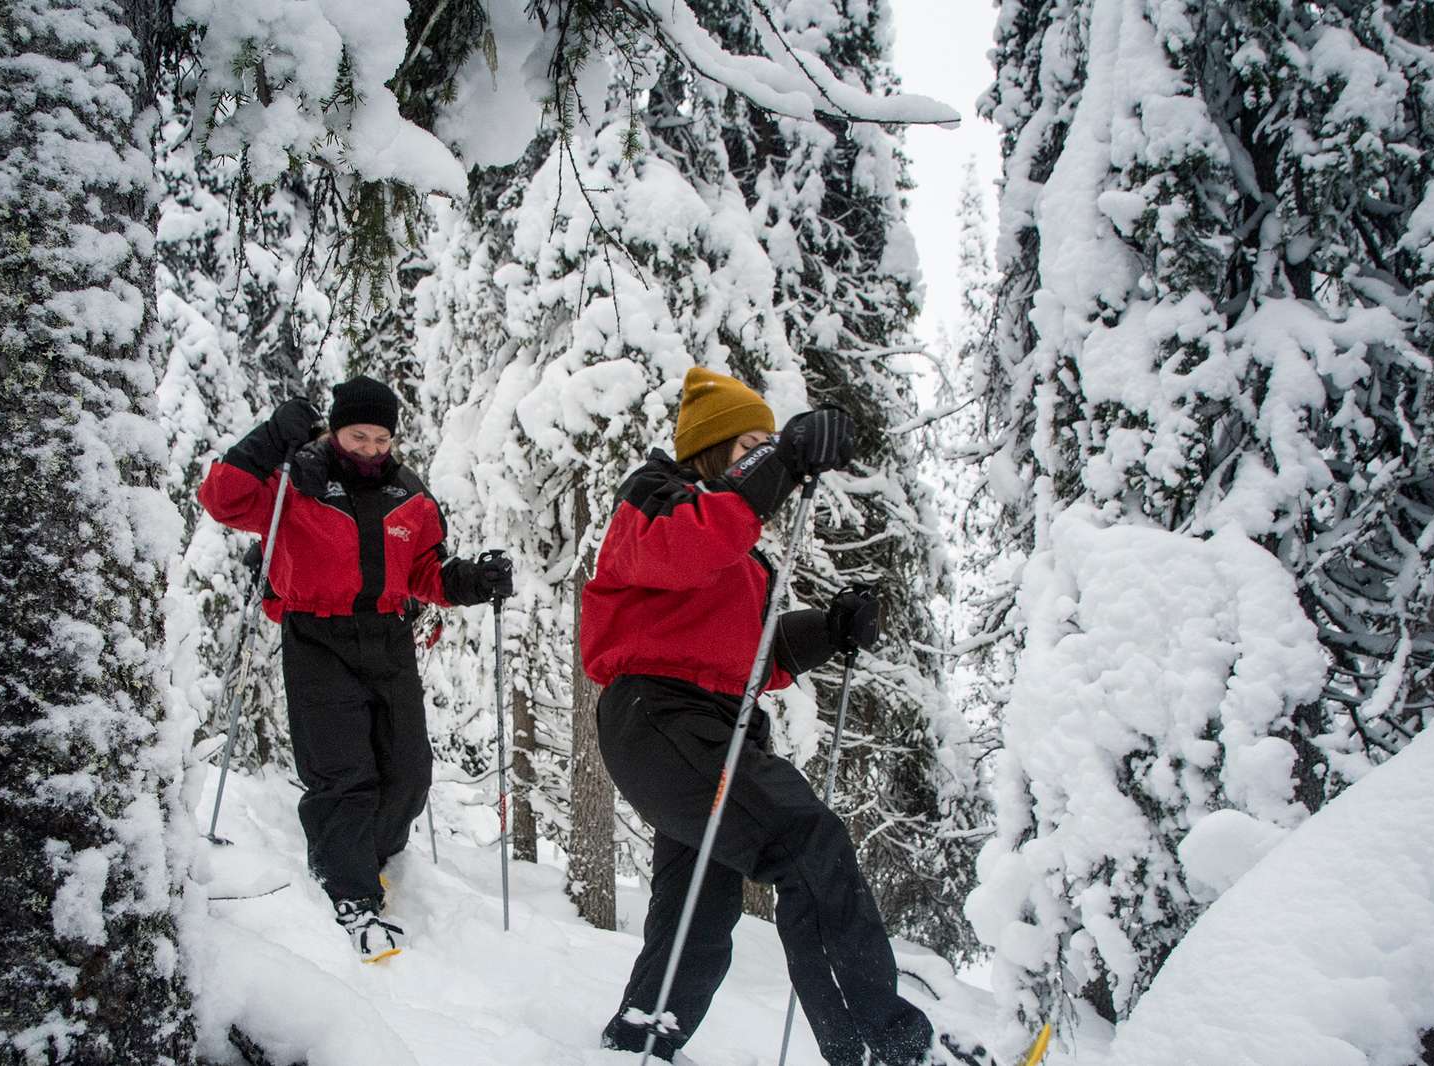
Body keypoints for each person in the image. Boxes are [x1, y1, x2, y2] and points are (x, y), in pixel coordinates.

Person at [583, 366, 956, 1065]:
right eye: (749, 443)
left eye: (767, 442)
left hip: (709, 724)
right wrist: (784, 456)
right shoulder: (655, 498)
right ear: (714, 448)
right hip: (660, 714)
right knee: (805, 842)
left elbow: (757, 654)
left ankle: (638, 1040)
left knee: (701, 906)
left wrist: (832, 629)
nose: (762, 453)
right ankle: (886, 1047)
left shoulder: (732, 543)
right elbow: (686, 547)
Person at [198, 375, 512, 961]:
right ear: (336, 430)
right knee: (343, 773)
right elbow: (221, 498)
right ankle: (352, 895)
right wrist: (269, 440)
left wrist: (473, 582)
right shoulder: (298, 477)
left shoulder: (409, 496)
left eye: (380, 438)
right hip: (317, 635)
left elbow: (425, 572)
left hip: (388, 637)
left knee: (410, 771)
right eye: (357, 435)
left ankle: (366, 858)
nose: (370, 448)